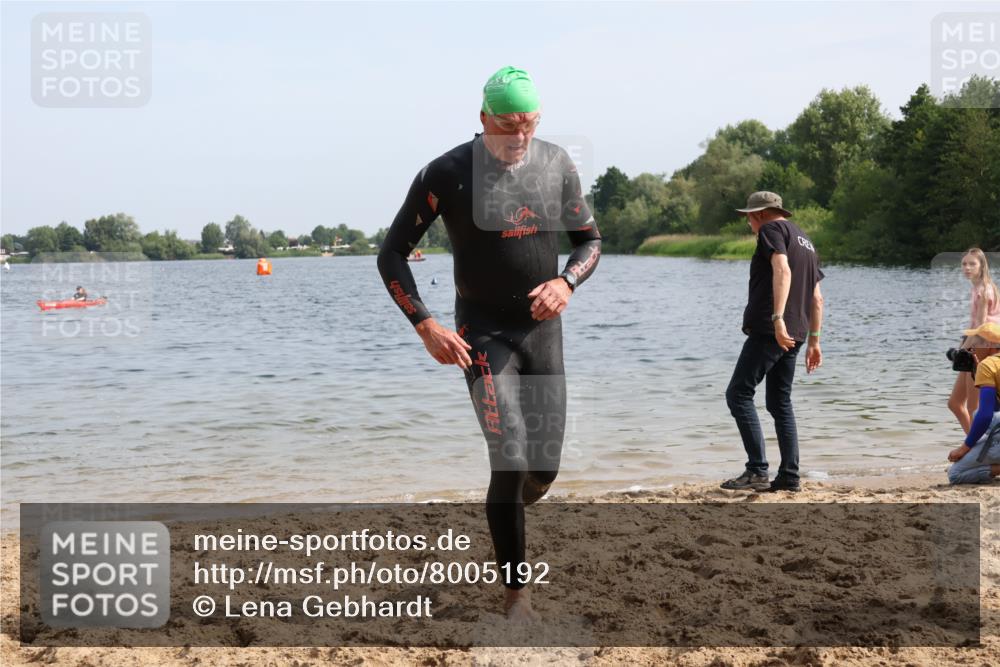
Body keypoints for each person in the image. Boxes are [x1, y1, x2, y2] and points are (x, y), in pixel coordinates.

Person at [377, 66, 601, 622]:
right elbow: (391, 254)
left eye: (528, 124)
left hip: (543, 330)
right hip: (481, 333)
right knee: (510, 457)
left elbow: (589, 241)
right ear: (483, 119)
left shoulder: (556, 164)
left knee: (540, 472)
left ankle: (505, 511)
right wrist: (426, 324)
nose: (518, 137)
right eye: (507, 125)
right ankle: (517, 596)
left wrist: (565, 281)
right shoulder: (447, 173)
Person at [721, 191, 824, 493]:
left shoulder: (771, 230)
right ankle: (790, 476)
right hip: (799, 331)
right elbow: (817, 299)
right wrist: (815, 340)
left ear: (760, 214)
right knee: (780, 403)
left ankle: (756, 471)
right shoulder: (806, 240)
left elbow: (782, 268)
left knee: (738, 394)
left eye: (749, 218)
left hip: (772, 329)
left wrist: (777, 318)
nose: (749, 224)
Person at [948, 248, 1000, 433]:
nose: (967, 268)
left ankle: (979, 450)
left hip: (983, 347)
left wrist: (961, 351)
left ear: (982, 266)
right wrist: (962, 346)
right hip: (975, 344)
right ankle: (974, 445)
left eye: (972, 264)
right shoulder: (978, 287)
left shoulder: (984, 290)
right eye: (964, 264)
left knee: (973, 407)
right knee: (955, 403)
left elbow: (980, 328)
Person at [947, 322, 1000, 484]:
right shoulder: (987, 366)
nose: (970, 349)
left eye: (974, 344)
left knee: (955, 474)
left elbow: (986, 415)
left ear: (989, 345)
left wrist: (965, 447)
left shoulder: (988, 365)